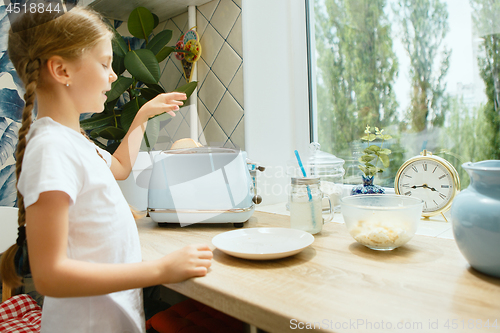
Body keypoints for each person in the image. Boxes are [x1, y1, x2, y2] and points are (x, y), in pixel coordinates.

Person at [0, 5, 213, 333]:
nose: (113, 76)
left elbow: (121, 167)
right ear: (62, 70)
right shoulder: (51, 149)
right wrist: (160, 270)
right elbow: (50, 275)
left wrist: (141, 115)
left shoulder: (74, 142)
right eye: (104, 64)